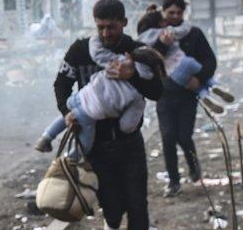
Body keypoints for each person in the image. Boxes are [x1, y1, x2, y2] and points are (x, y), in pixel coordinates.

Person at [52, 0, 163, 230]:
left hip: (129, 141)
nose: (105, 33)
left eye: (111, 27)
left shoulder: (137, 52)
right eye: (100, 27)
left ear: (124, 24)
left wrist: (134, 76)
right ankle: (111, 224)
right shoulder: (79, 51)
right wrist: (68, 111)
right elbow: (61, 84)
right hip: (95, 144)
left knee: (137, 202)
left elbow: (157, 91)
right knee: (112, 201)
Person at [35, 43, 164, 155]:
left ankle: (46, 136)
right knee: (85, 146)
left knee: (69, 115)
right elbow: (126, 126)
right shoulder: (139, 95)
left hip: (78, 97)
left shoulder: (117, 61)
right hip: (90, 113)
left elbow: (97, 53)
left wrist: (94, 39)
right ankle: (69, 160)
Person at [153, 0, 217, 198]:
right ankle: (173, 181)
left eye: (178, 13)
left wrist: (199, 78)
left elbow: (209, 60)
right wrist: (162, 44)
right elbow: (149, 59)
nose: (174, 16)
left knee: (184, 135)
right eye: (170, 12)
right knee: (167, 136)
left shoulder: (194, 34)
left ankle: (194, 167)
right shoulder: (155, 34)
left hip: (187, 95)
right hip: (164, 93)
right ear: (163, 12)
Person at [136, 4, 234, 114]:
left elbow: (144, 67)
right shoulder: (166, 31)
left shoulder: (142, 42)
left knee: (196, 88)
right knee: (204, 79)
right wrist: (187, 24)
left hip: (174, 73)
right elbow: (183, 30)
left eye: (179, 12)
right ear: (160, 22)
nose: (174, 17)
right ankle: (214, 86)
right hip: (184, 62)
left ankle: (204, 96)